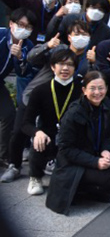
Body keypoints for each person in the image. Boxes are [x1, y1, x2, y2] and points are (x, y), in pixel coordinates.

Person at [46, 71, 110, 215]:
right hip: (73, 164)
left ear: (106, 89)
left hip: (95, 154)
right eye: (92, 88)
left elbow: (109, 136)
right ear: (84, 90)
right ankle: (83, 189)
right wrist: (95, 162)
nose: (97, 92)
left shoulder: (105, 108)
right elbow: (66, 149)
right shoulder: (74, 113)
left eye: (101, 88)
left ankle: (92, 188)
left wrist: (106, 149)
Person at [16, 50, 82, 195]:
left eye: (70, 64)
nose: (65, 68)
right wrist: (36, 132)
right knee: (38, 141)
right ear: (53, 67)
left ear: (75, 68)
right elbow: (25, 123)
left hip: (71, 137)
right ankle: (35, 177)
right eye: (61, 64)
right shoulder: (40, 90)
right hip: (48, 134)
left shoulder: (80, 90)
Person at [0, 8, 36, 166]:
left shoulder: (28, 45)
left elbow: (24, 72)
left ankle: (3, 156)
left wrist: (20, 57)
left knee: (8, 114)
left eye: (28, 27)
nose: (23, 29)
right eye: (20, 24)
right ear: (11, 24)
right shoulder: (1, 35)